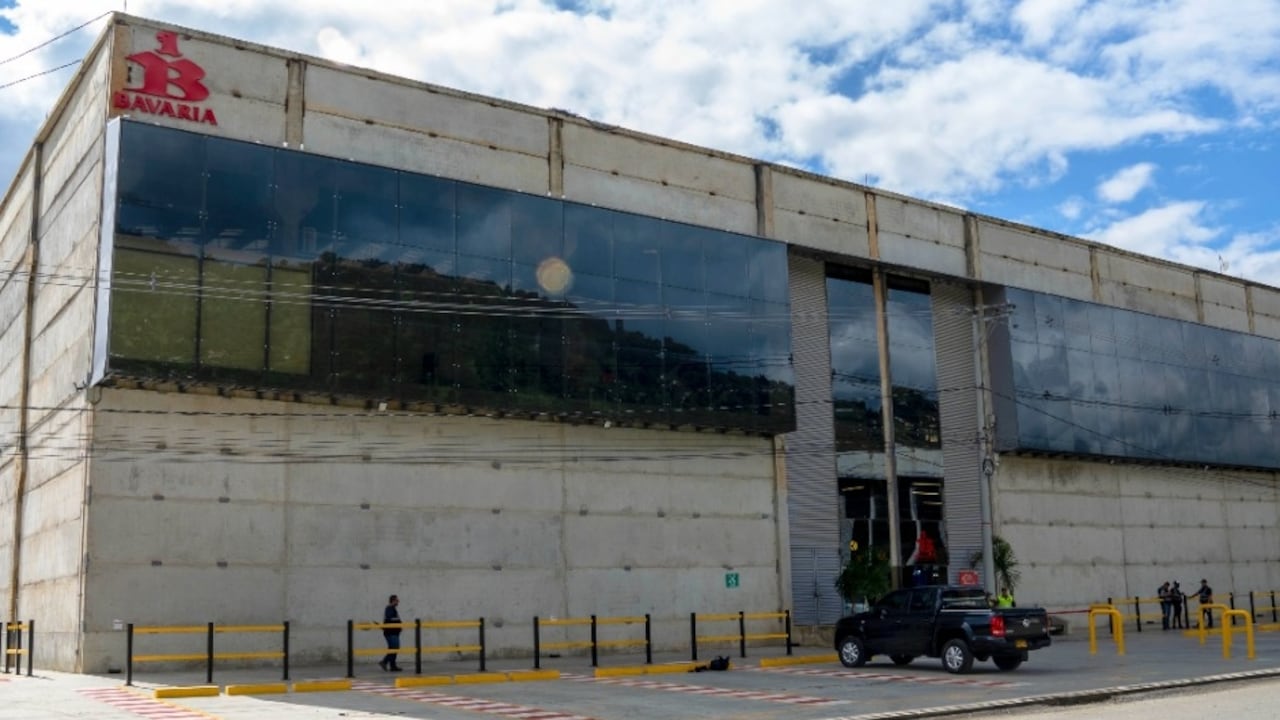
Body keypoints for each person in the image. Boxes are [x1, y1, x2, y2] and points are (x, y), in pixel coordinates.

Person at [379, 594, 403, 671]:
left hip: (393, 633)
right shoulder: (389, 608)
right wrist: (398, 621)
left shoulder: (392, 609)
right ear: (393, 601)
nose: (398, 601)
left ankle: (392, 665)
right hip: (391, 633)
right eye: (397, 600)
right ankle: (385, 662)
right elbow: (390, 618)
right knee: (395, 648)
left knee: (393, 648)